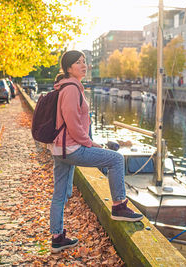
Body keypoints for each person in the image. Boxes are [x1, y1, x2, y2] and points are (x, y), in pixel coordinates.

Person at [48, 50, 143, 254]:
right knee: (116, 159)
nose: (84, 65)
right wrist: (89, 143)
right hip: (71, 148)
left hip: (61, 148)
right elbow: (72, 122)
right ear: (68, 68)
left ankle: (57, 238)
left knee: (60, 193)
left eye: (85, 61)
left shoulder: (67, 86)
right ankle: (119, 206)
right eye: (79, 62)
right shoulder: (72, 88)